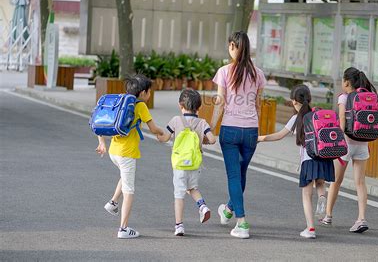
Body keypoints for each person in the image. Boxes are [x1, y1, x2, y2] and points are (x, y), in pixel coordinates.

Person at [258, 85, 335, 239]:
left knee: (306, 195)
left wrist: (261, 138)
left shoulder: (296, 119)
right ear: (309, 98)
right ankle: (322, 197)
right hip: (325, 157)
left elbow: (279, 135)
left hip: (308, 160)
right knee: (320, 184)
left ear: (294, 101)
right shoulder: (317, 114)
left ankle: (311, 229)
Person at [211, 31, 266, 239]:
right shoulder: (258, 73)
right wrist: (256, 126)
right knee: (241, 174)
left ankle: (242, 222)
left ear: (234, 46)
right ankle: (227, 210)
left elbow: (220, 102)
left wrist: (211, 128)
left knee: (235, 175)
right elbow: (258, 104)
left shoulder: (225, 71)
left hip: (230, 130)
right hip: (251, 131)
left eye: (229, 46)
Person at [96, 74, 164, 239]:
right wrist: (163, 132)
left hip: (114, 151)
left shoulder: (120, 101)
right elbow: (153, 128)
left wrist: (102, 143)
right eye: (149, 92)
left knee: (124, 177)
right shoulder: (140, 106)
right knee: (129, 191)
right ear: (142, 93)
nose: (149, 95)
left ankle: (112, 203)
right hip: (127, 153)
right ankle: (123, 229)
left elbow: (101, 121)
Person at [322, 67, 377, 233]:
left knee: (336, 181)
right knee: (360, 182)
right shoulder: (366, 96)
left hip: (346, 144)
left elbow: (341, 121)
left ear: (346, 82)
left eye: (342, 81)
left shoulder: (344, 98)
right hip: (363, 144)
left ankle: (328, 216)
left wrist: (337, 143)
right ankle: (361, 218)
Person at [158, 89, 216, 236]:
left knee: (179, 195)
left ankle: (179, 225)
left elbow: (164, 138)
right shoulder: (202, 122)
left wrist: (157, 134)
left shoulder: (176, 120)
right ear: (199, 107)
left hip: (179, 165)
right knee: (192, 188)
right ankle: (202, 206)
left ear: (180, 105)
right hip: (195, 164)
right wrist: (203, 140)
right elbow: (213, 139)